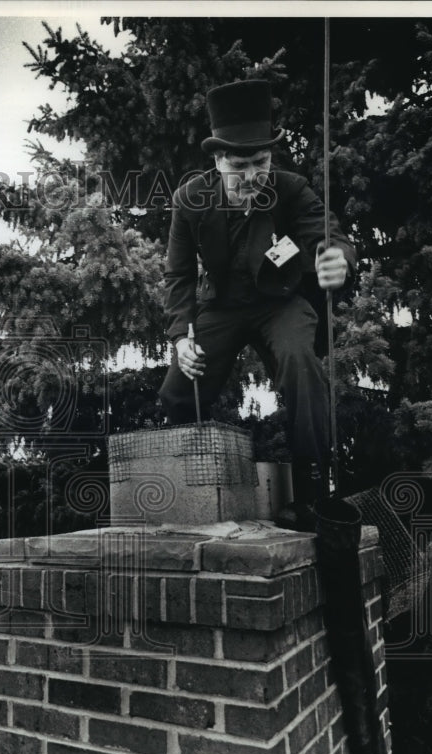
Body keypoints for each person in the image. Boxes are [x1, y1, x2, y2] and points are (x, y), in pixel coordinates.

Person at [159, 79, 355, 527]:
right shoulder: (190, 201)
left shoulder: (292, 189)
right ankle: (191, 491)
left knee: (301, 364)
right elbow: (179, 275)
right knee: (178, 388)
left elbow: (329, 235)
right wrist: (181, 337)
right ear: (217, 160)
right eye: (239, 165)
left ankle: (310, 494)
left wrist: (337, 259)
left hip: (279, 304)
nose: (252, 176)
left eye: (260, 163)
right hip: (221, 306)